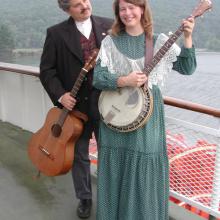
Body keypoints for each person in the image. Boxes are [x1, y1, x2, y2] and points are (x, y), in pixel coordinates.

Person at [93, 0, 197, 219]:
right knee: (116, 173)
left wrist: (188, 37)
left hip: (148, 125)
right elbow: (98, 78)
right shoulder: (110, 42)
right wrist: (124, 80)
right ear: (117, 13)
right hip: (115, 124)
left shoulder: (159, 41)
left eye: (132, 7)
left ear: (142, 9)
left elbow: (187, 68)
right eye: (122, 9)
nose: (127, 13)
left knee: (144, 171)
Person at [39, 0, 112, 218]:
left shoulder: (110, 26)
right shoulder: (55, 33)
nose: (84, 6)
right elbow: (47, 71)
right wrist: (61, 95)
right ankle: (85, 199)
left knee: (108, 154)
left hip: (107, 106)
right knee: (79, 156)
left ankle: (109, 196)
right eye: (77, 4)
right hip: (75, 111)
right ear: (66, 9)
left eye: (86, 0)